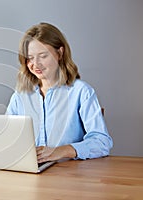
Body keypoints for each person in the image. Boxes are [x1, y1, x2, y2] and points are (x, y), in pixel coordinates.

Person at [6, 22, 113, 163]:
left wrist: (63, 151)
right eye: (30, 58)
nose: (35, 64)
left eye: (43, 56)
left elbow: (102, 142)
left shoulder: (81, 92)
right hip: (30, 173)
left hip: (69, 176)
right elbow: (7, 139)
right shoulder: (21, 95)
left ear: (60, 53)